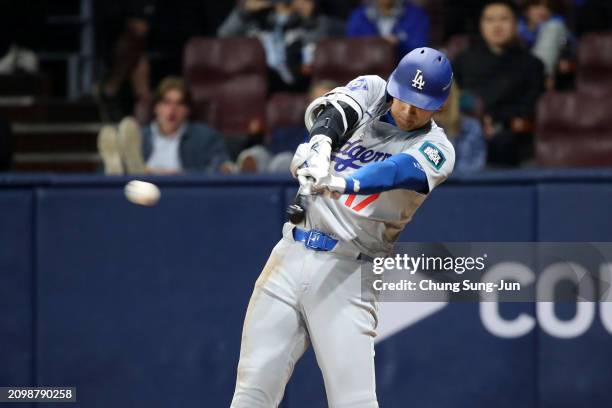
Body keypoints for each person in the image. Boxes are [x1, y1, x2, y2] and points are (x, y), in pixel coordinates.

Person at [231, 47, 455, 407]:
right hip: (290, 256)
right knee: (253, 390)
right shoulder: (372, 88)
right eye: (405, 97)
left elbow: (397, 171)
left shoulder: (439, 148)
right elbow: (335, 113)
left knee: (354, 402)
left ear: (440, 104)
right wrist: (320, 146)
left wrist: (344, 181)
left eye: (421, 103)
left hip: (350, 272)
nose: (409, 109)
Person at [453, 0, 545, 166]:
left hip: (510, 137)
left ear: (516, 25)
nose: (497, 26)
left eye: (504, 19)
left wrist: (498, 120)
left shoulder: (531, 64)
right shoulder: (463, 61)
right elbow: (452, 99)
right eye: (490, 20)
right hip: (467, 131)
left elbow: (532, 106)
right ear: (481, 25)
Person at [97, 77, 232, 175]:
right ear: (156, 108)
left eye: (179, 104)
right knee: (117, 167)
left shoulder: (205, 136)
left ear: (188, 110)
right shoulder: (137, 136)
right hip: (144, 189)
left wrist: (180, 175)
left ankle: (131, 172)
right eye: (167, 103)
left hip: (181, 190)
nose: (172, 110)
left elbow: (221, 166)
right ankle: (123, 171)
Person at [219, 0, 341, 93]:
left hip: (299, 81)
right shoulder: (255, 20)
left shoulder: (306, 22)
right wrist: (244, 12)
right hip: (264, 82)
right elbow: (224, 36)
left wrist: (309, 18)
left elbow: (317, 46)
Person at [235, 80, 339, 173]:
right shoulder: (287, 132)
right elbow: (270, 150)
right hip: (275, 162)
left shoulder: (343, 137)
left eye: (328, 103)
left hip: (302, 176)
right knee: (255, 153)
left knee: (284, 161)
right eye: (317, 102)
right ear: (308, 105)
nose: (322, 108)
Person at [346, 0, 430, 58]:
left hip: (402, 71)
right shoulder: (360, 15)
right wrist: (379, 43)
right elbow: (353, 49)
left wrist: (398, 45)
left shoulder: (416, 15)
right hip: (366, 70)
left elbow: (420, 51)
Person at [434, 83, 486, 172]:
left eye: (443, 94)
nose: (438, 101)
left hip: (462, 184)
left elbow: (474, 167)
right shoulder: (414, 129)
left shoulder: (470, 127)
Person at [518, 0, 572, 79]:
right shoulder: (517, 27)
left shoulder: (555, 26)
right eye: (536, 6)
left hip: (545, 75)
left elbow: (568, 42)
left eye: (547, 7)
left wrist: (565, 56)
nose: (543, 10)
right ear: (526, 10)